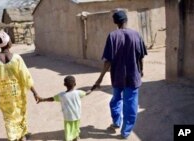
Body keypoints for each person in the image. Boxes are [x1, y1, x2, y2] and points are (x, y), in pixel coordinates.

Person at [92, 10, 147, 139]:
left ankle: (116, 122)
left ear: (115, 22)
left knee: (115, 100)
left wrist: (99, 79)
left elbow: (108, 61)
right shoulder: (136, 35)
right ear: (126, 20)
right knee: (131, 104)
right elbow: (141, 57)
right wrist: (141, 70)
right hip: (133, 76)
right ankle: (125, 132)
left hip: (117, 77)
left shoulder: (112, 36)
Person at [0, 31, 40, 141]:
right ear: (8, 43)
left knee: (8, 117)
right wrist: (35, 92)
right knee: (20, 113)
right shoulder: (16, 58)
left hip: (4, 94)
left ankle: (13, 137)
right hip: (18, 93)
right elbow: (26, 77)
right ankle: (21, 136)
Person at [38, 76, 92, 141]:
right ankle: (75, 137)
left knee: (68, 130)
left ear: (64, 84)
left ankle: (69, 139)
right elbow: (87, 93)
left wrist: (42, 99)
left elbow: (52, 99)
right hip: (77, 115)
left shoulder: (61, 95)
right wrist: (93, 88)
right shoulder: (78, 92)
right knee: (76, 127)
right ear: (75, 84)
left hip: (68, 117)